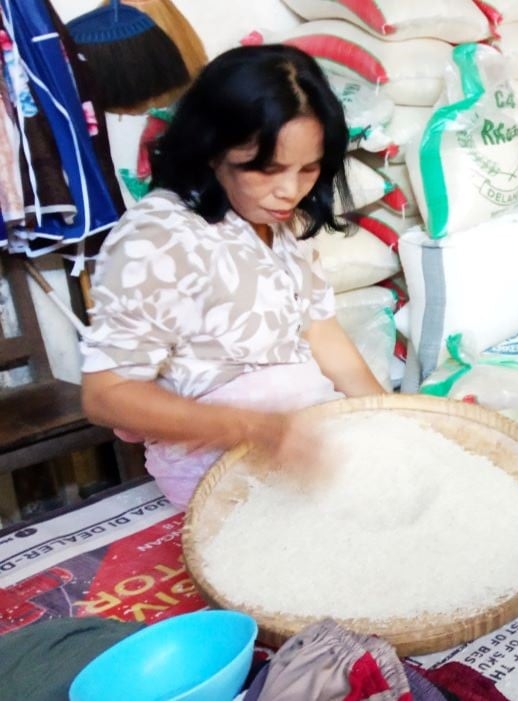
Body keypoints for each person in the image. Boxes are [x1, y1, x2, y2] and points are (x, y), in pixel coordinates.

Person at [80, 45, 387, 506]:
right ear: (212, 150)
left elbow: (321, 330)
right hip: (221, 470)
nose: (290, 191)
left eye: (308, 168)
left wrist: (390, 418)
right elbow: (107, 396)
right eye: (268, 169)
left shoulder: (278, 222)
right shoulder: (157, 238)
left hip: (310, 443)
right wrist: (257, 428)